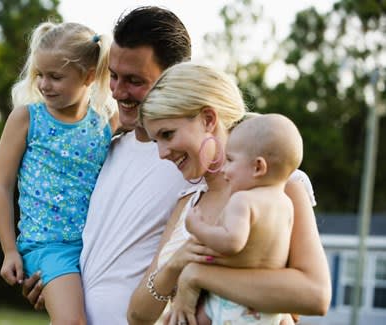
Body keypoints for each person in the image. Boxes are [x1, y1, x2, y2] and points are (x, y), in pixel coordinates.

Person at [21, 6, 331, 325]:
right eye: (113, 76)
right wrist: (54, 275)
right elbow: (78, 235)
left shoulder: (260, 180)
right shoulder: (106, 148)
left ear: (173, 76)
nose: (116, 91)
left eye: (134, 80)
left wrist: (196, 277)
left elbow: (299, 302)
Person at [128, 62, 331, 325]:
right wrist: (176, 265)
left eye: (168, 134)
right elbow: (137, 317)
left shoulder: (278, 186)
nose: (162, 153)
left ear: (208, 119)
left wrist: (196, 276)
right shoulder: (189, 205)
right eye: (157, 141)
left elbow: (315, 295)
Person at [0, 20, 116, 325]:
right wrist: (9, 250)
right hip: (47, 245)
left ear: (88, 76)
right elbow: (1, 186)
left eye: (55, 77)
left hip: (95, 245)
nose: (44, 85)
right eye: (40, 75)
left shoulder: (105, 124)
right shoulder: (25, 119)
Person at [183, 113, 304, 324]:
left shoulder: (244, 200)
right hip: (270, 306)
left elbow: (231, 242)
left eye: (230, 160)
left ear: (258, 167)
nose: (224, 168)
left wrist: (197, 227)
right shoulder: (286, 204)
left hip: (234, 304)